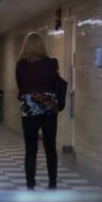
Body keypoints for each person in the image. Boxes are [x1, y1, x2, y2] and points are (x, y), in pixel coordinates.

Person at [15, 32, 60, 190]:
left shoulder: (21, 64)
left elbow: (20, 85)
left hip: (29, 106)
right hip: (49, 106)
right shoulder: (51, 63)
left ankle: (30, 185)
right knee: (50, 146)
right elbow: (55, 83)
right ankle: (52, 183)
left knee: (31, 148)